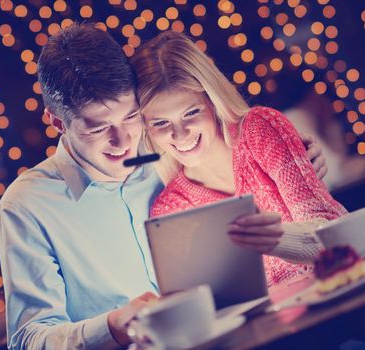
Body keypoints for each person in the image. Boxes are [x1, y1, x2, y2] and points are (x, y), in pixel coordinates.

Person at [0, 24, 327, 350]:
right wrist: (112, 325)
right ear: (58, 122)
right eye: (98, 128)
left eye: (130, 117)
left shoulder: (167, 147)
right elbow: (28, 339)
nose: (123, 141)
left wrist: (297, 157)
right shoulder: (29, 204)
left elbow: (244, 158)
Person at [131, 30, 347, 287]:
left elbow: (334, 233)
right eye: (161, 122)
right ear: (146, 126)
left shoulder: (259, 130)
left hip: (345, 286)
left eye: (191, 113)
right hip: (272, 325)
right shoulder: (171, 209)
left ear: (212, 101)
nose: (179, 134)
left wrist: (275, 239)